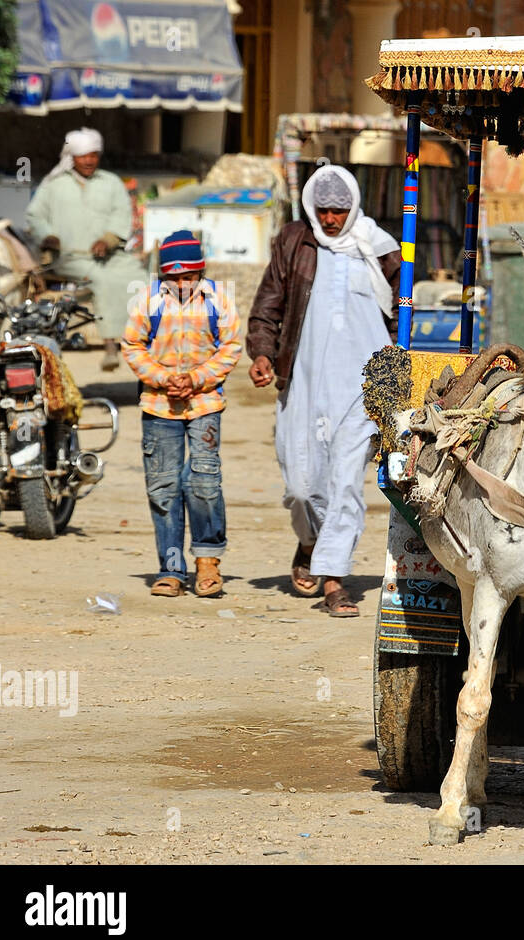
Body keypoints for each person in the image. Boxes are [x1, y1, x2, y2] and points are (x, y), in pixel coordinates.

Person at [247, 165, 402, 617]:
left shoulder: (380, 247)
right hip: (304, 380)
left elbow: (403, 310)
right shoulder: (294, 241)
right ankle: (311, 540)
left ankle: (334, 578)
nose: (332, 219)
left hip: (362, 387)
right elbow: (268, 304)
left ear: (353, 206)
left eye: (340, 210)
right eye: (324, 210)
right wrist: (261, 352)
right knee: (300, 486)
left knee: (344, 482)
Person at [121, 231, 242, 597]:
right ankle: (171, 567)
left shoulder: (218, 300)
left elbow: (230, 346)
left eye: (189, 277)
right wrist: (163, 379)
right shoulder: (147, 300)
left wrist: (196, 379)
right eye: (173, 278)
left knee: (204, 481)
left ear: (200, 272)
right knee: (163, 487)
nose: (181, 285)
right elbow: (132, 345)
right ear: (162, 276)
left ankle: (208, 561)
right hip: (159, 405)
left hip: (204, 403)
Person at [25, 128, 147, 371]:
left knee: (142, 279)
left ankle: (144, 339)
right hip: (68, 258)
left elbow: (121, 214)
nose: (89, 160)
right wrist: (48, 236)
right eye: (83, 156)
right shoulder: (53, 185)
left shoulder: (111, 183)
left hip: (110, 255)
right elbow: (35, 216)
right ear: (72, 157)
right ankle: (111, 345)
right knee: (102, 280)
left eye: (93, 155)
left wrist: (109, 239)